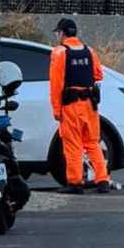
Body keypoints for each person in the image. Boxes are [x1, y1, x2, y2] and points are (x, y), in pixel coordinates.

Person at [49, 17, 111, 194]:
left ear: (62, 33)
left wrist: (56, 109)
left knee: (73, 145)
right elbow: (98, 75)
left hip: (71, 106)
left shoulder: (60, 52)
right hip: (90, 104)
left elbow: (56, 83)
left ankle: (75, 183)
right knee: (92, 143)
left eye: (58, 33)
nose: (57, 36)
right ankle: (102, 180)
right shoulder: (89, 51)